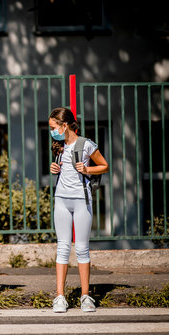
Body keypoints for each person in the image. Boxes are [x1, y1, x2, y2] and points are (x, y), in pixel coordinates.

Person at [49, 107, 109, 313]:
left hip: (82, 200)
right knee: (62, 247)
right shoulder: (58, 145)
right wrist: (53, 168)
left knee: (82, 248)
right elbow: (60, 167)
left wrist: (88, 169)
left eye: (53, 127)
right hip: (62, 200)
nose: (52, 131)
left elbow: (104, 165)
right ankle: (60, 297)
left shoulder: (86, 144)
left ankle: (85, 296)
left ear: (64, 125)